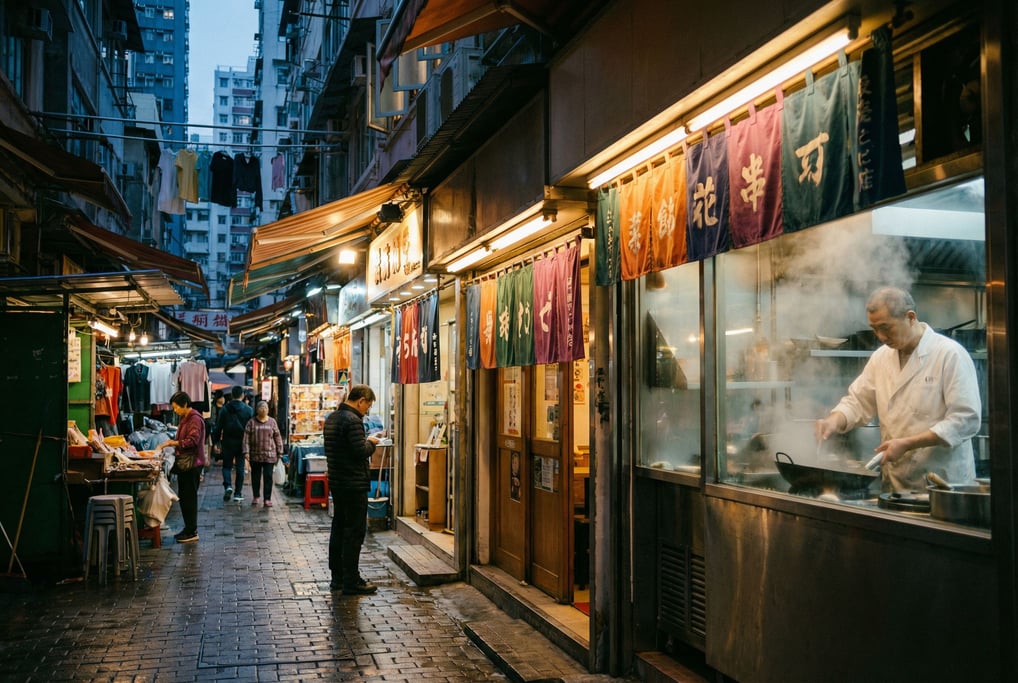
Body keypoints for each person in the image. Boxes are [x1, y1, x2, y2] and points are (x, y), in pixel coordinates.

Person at [815, 287, 981, 493]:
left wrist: (908, 443)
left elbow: (965, 420)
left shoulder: (949, 354)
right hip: (895, 485)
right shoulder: (881, 357)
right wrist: (834, 420)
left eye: (886, 328)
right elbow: (857, 401)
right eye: (874, 329)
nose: (880, 336)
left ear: (911, 317)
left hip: (943, 485)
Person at [324, 384, 383, 594]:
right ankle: (352, 580)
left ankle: (337, 577)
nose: (367, 410)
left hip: (338, 483)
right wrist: (372, 442)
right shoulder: (353, 421)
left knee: (339, 529)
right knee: (354, 532)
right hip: (354, 484)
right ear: (361, 401)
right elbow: (360, 451)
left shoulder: (332, 419)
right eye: (368, 405)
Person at [160, 391, 206, 543]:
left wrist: (172, 443)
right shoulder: (184, 418)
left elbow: (193, 440)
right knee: (185, 497)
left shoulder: (194, 419)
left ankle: (192, 531)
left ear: (185, 404)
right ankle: (188, 529)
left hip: (192, 464)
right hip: (185, 464)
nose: (175, 410)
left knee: (189, 498)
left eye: (176, 407)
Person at [212, 386, 254, 502]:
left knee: (227, 466)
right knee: (240, 467)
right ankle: (238, 493)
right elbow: (252, 429)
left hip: (227, 441)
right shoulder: (248, 410)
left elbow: (218, 427)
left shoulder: (224, 409)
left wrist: (216, 441)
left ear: (232, 395)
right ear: (242, 395)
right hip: (242, 442)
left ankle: (228, 486)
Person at [243, 400, 284, 508]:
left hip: (269, 456)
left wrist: (280, 451)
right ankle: (256, 496)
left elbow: (277, 437)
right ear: (257, 410)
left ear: (268, 410)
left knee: (268, 477)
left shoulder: (272, 422)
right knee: (255, 477)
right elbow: (246, 439)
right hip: (255, 455)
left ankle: (267, 499)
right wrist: (246, 451)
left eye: (265, 407)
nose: (263, 409)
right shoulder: (251, 422)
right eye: (261, 407)